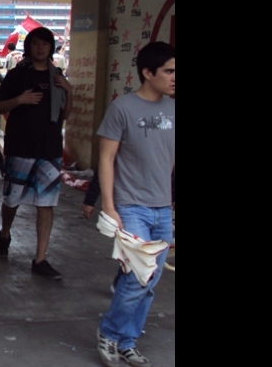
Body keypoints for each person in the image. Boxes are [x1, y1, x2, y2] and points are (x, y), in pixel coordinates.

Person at [95, 41, 175, 367]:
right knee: (136, 277)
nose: (174, 77)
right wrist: (109, 207)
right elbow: (105, 159)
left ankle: (127, 341)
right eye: (169, 71)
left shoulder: (173, 109)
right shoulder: (122, 108)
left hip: (163, 208)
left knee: (150, 281)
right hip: (131, 207)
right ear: (147, 73)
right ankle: (109, 332)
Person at [0, 26, 72, 280]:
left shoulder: (57, 76)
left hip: (50, 149)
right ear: (28, 47)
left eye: (45, 43)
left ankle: (40, 258)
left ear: (50, 48)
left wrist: (69, 91)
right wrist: (20, 100)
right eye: (35, 43)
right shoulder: (17, 75)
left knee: (46, 204)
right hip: (21, 147)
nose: (40, 47)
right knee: (12, 199)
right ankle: (5, 233)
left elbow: (65, 115)